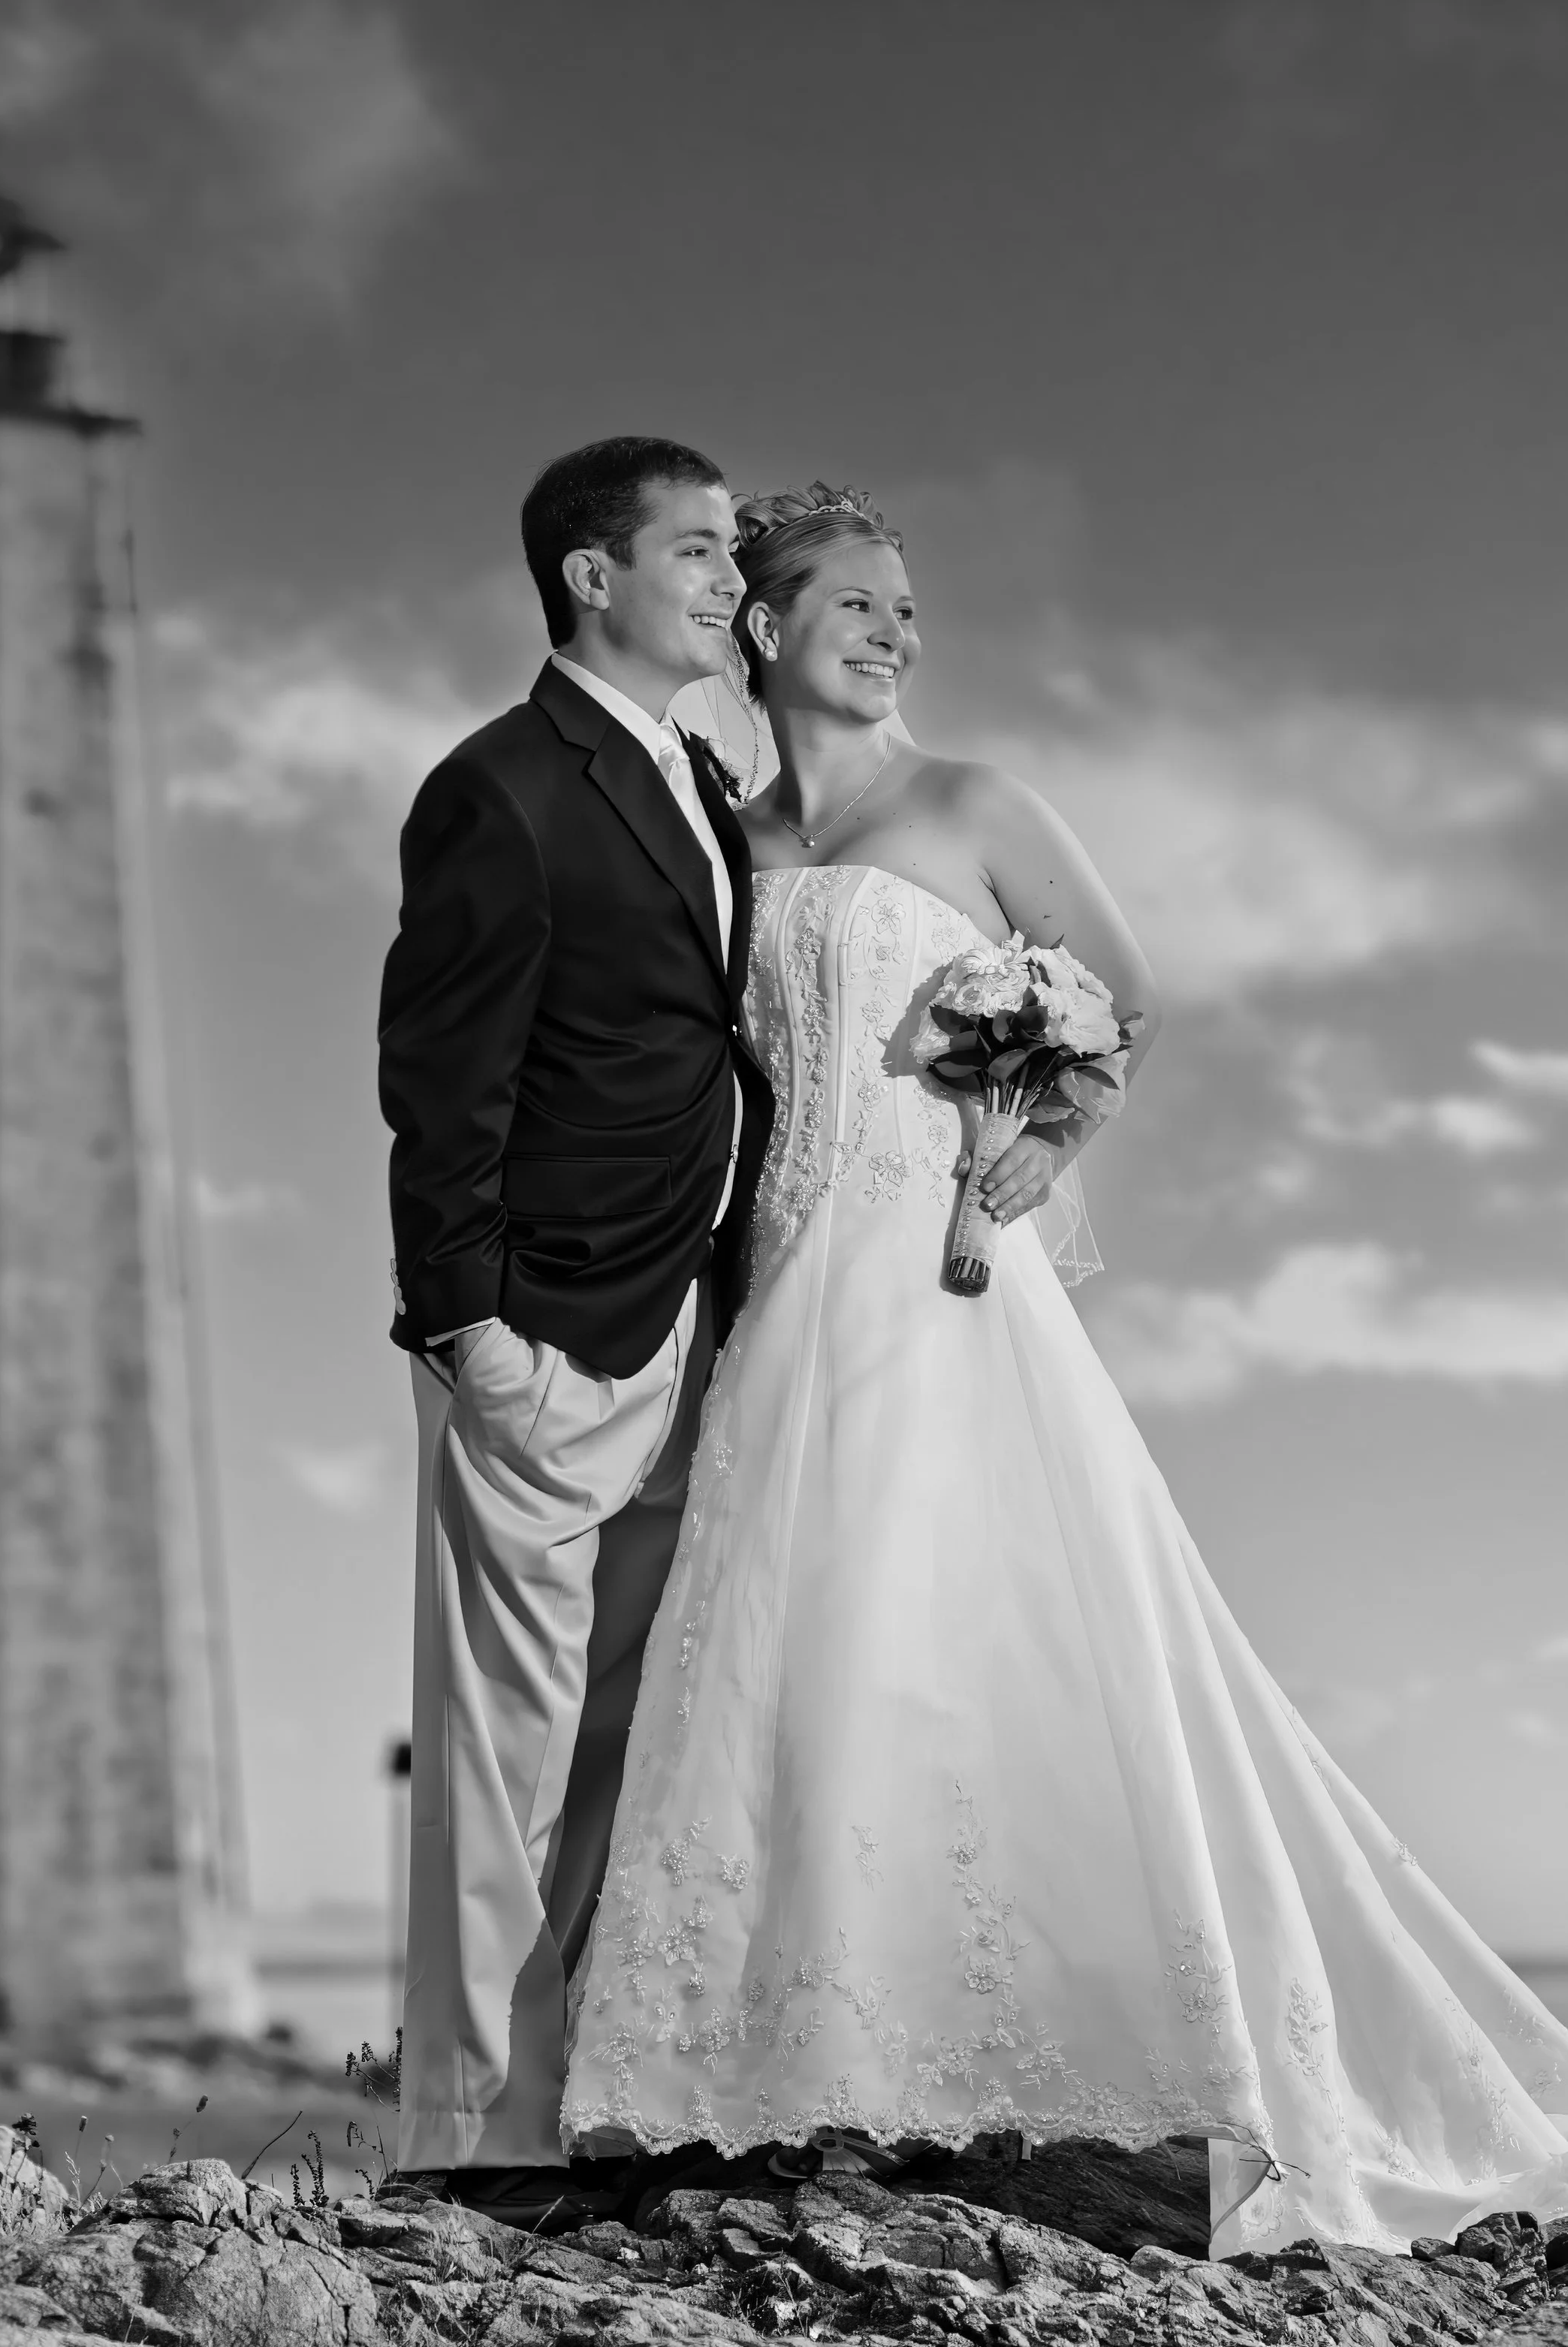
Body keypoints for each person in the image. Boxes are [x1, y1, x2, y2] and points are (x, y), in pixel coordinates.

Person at [561, 482, 1568, 2253]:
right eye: (855, 604)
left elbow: (1119, 998)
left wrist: (1045, 1134)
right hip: (782, 1279)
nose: (893, 632)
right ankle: (795, 2059)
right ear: (764, 625)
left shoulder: (974, 803)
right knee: (792, 1643)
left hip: (940, 1272)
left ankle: (1071, 2066)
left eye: (905, 609)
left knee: (971, 1622)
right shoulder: (731, 837)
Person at [378, 437, 773, 2226]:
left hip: (685, 1314)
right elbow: (440, 1082)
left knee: (630, 1734)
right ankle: (474, 2140)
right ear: (587, 577)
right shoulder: (501, 785)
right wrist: (473, 1333)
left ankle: (588, 2105)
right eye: (691, 548)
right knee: (501, 1752)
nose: (725, 573)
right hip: (539, 1328)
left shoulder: (695, 767)